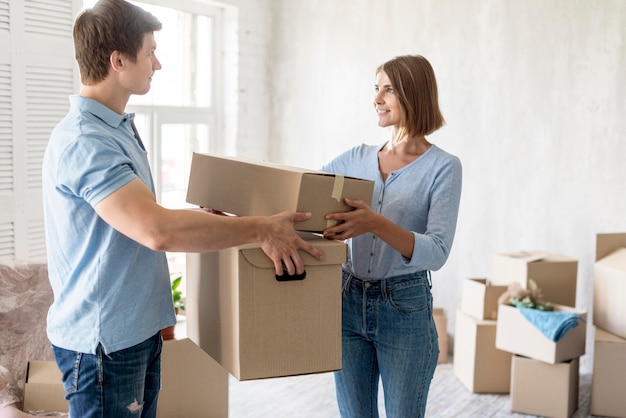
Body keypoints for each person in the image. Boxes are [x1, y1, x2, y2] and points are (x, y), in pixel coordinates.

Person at [41, 1, 323, 417]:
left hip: (134, 332)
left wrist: (203, 223)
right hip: (106, 344)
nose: (158, 63)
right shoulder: (88, 141)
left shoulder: (113, 129)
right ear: (118, 60)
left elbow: (132, 221)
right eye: (150, 50)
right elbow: (158, 231)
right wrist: (261, 228)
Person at [321, 55, 462, 418]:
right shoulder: (357, 157)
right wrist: (240, 210)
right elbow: (298, 194)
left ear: (413, 94)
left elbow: (438, 250)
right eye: (376, 89)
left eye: (388, 90)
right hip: (347, 301)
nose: (376, 99)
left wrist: (374, 223)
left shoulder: (443, 167)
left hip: (404, 307)